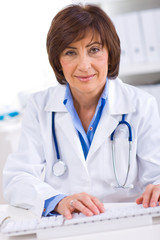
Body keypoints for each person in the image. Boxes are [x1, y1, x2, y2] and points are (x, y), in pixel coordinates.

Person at [3, 4, 160, 219]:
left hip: (126, 221)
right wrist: (57, 200)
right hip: (68, 223)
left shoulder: (142, 104)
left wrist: (158, 187)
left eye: (94, 50)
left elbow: (156, 174)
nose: (84, 65)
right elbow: (17, 178)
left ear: (110, 53)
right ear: (58, 61)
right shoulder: (39, 106)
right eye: (70, 52)